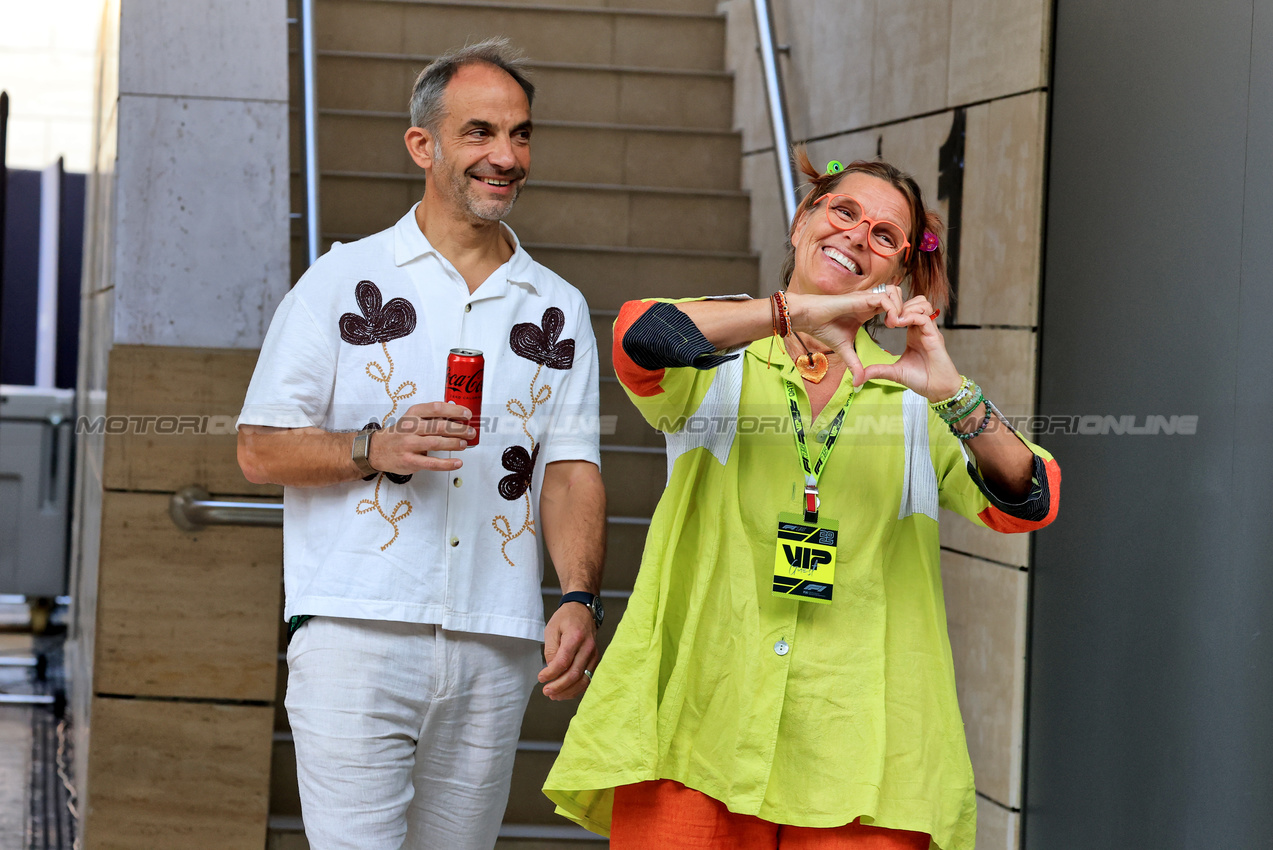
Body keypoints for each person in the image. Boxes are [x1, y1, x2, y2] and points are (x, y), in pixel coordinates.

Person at [543, 149, 1060, 850]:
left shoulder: (915, 395)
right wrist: (796, 311)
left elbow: (1028, 497)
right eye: (843, 211)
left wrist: (954, 395)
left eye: (884, 236)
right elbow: (640, 334)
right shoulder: (719, 353)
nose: (857, 235)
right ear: (800, 222)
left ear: (898, 274)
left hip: (863, 764)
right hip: (697, 731)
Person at [236, 38, 606, 850]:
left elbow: (571, 466)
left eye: (520, 135)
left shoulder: (558, 305)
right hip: (354, 631)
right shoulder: (340, 281)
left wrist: (577, 594)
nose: (504, 157)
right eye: (479, 133)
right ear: (423, 145)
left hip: (496, 641)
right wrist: (373, 445)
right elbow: (259, 449)